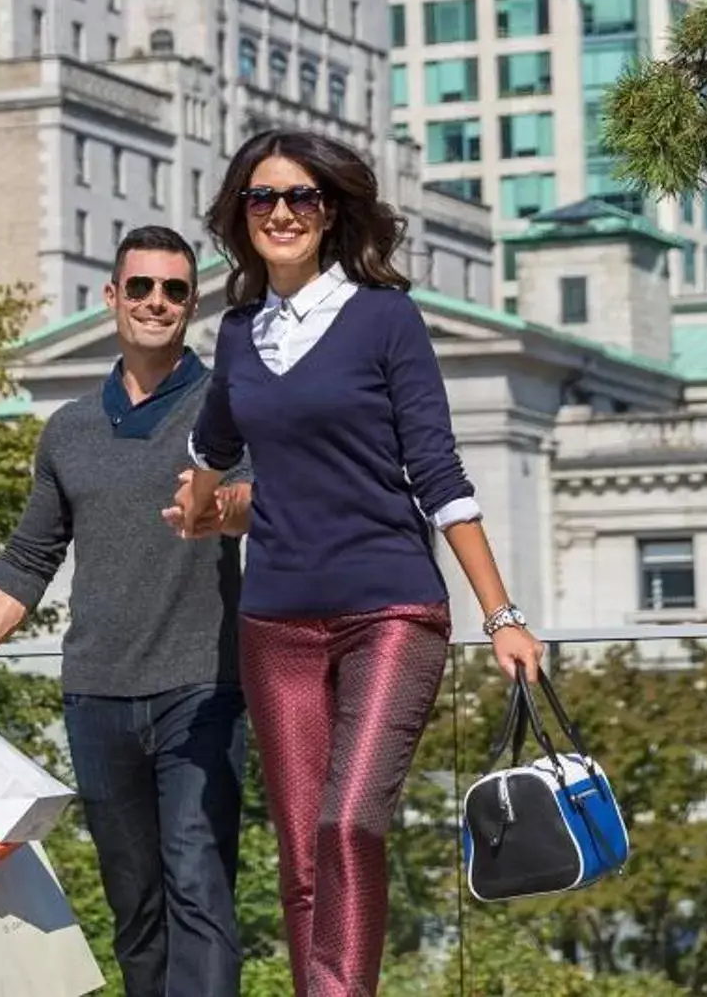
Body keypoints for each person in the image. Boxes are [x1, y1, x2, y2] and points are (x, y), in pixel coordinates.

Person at [166, 130, 543, 997]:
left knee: (346, 826)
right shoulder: (237, 334)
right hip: (276, 625)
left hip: (391, 611)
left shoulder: (384, 318)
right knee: (300, 857)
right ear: (242, 216)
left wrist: (503, 616)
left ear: (331, 212)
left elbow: (440, 476)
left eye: (302, 197)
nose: (284, 213)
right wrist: (199, 510)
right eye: (264, 199)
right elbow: (211, 446)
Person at [0, 226, 254, 997]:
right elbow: (29, 559)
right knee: (136, 907)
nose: (156, 303)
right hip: (97, 696)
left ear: (191, 305)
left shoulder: (224, 408)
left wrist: (218, 507)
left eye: (174, 291)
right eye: (141, 288)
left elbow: (252, 503)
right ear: (111, 299)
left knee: (199, 883)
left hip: (203, 686)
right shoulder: (69, 430)